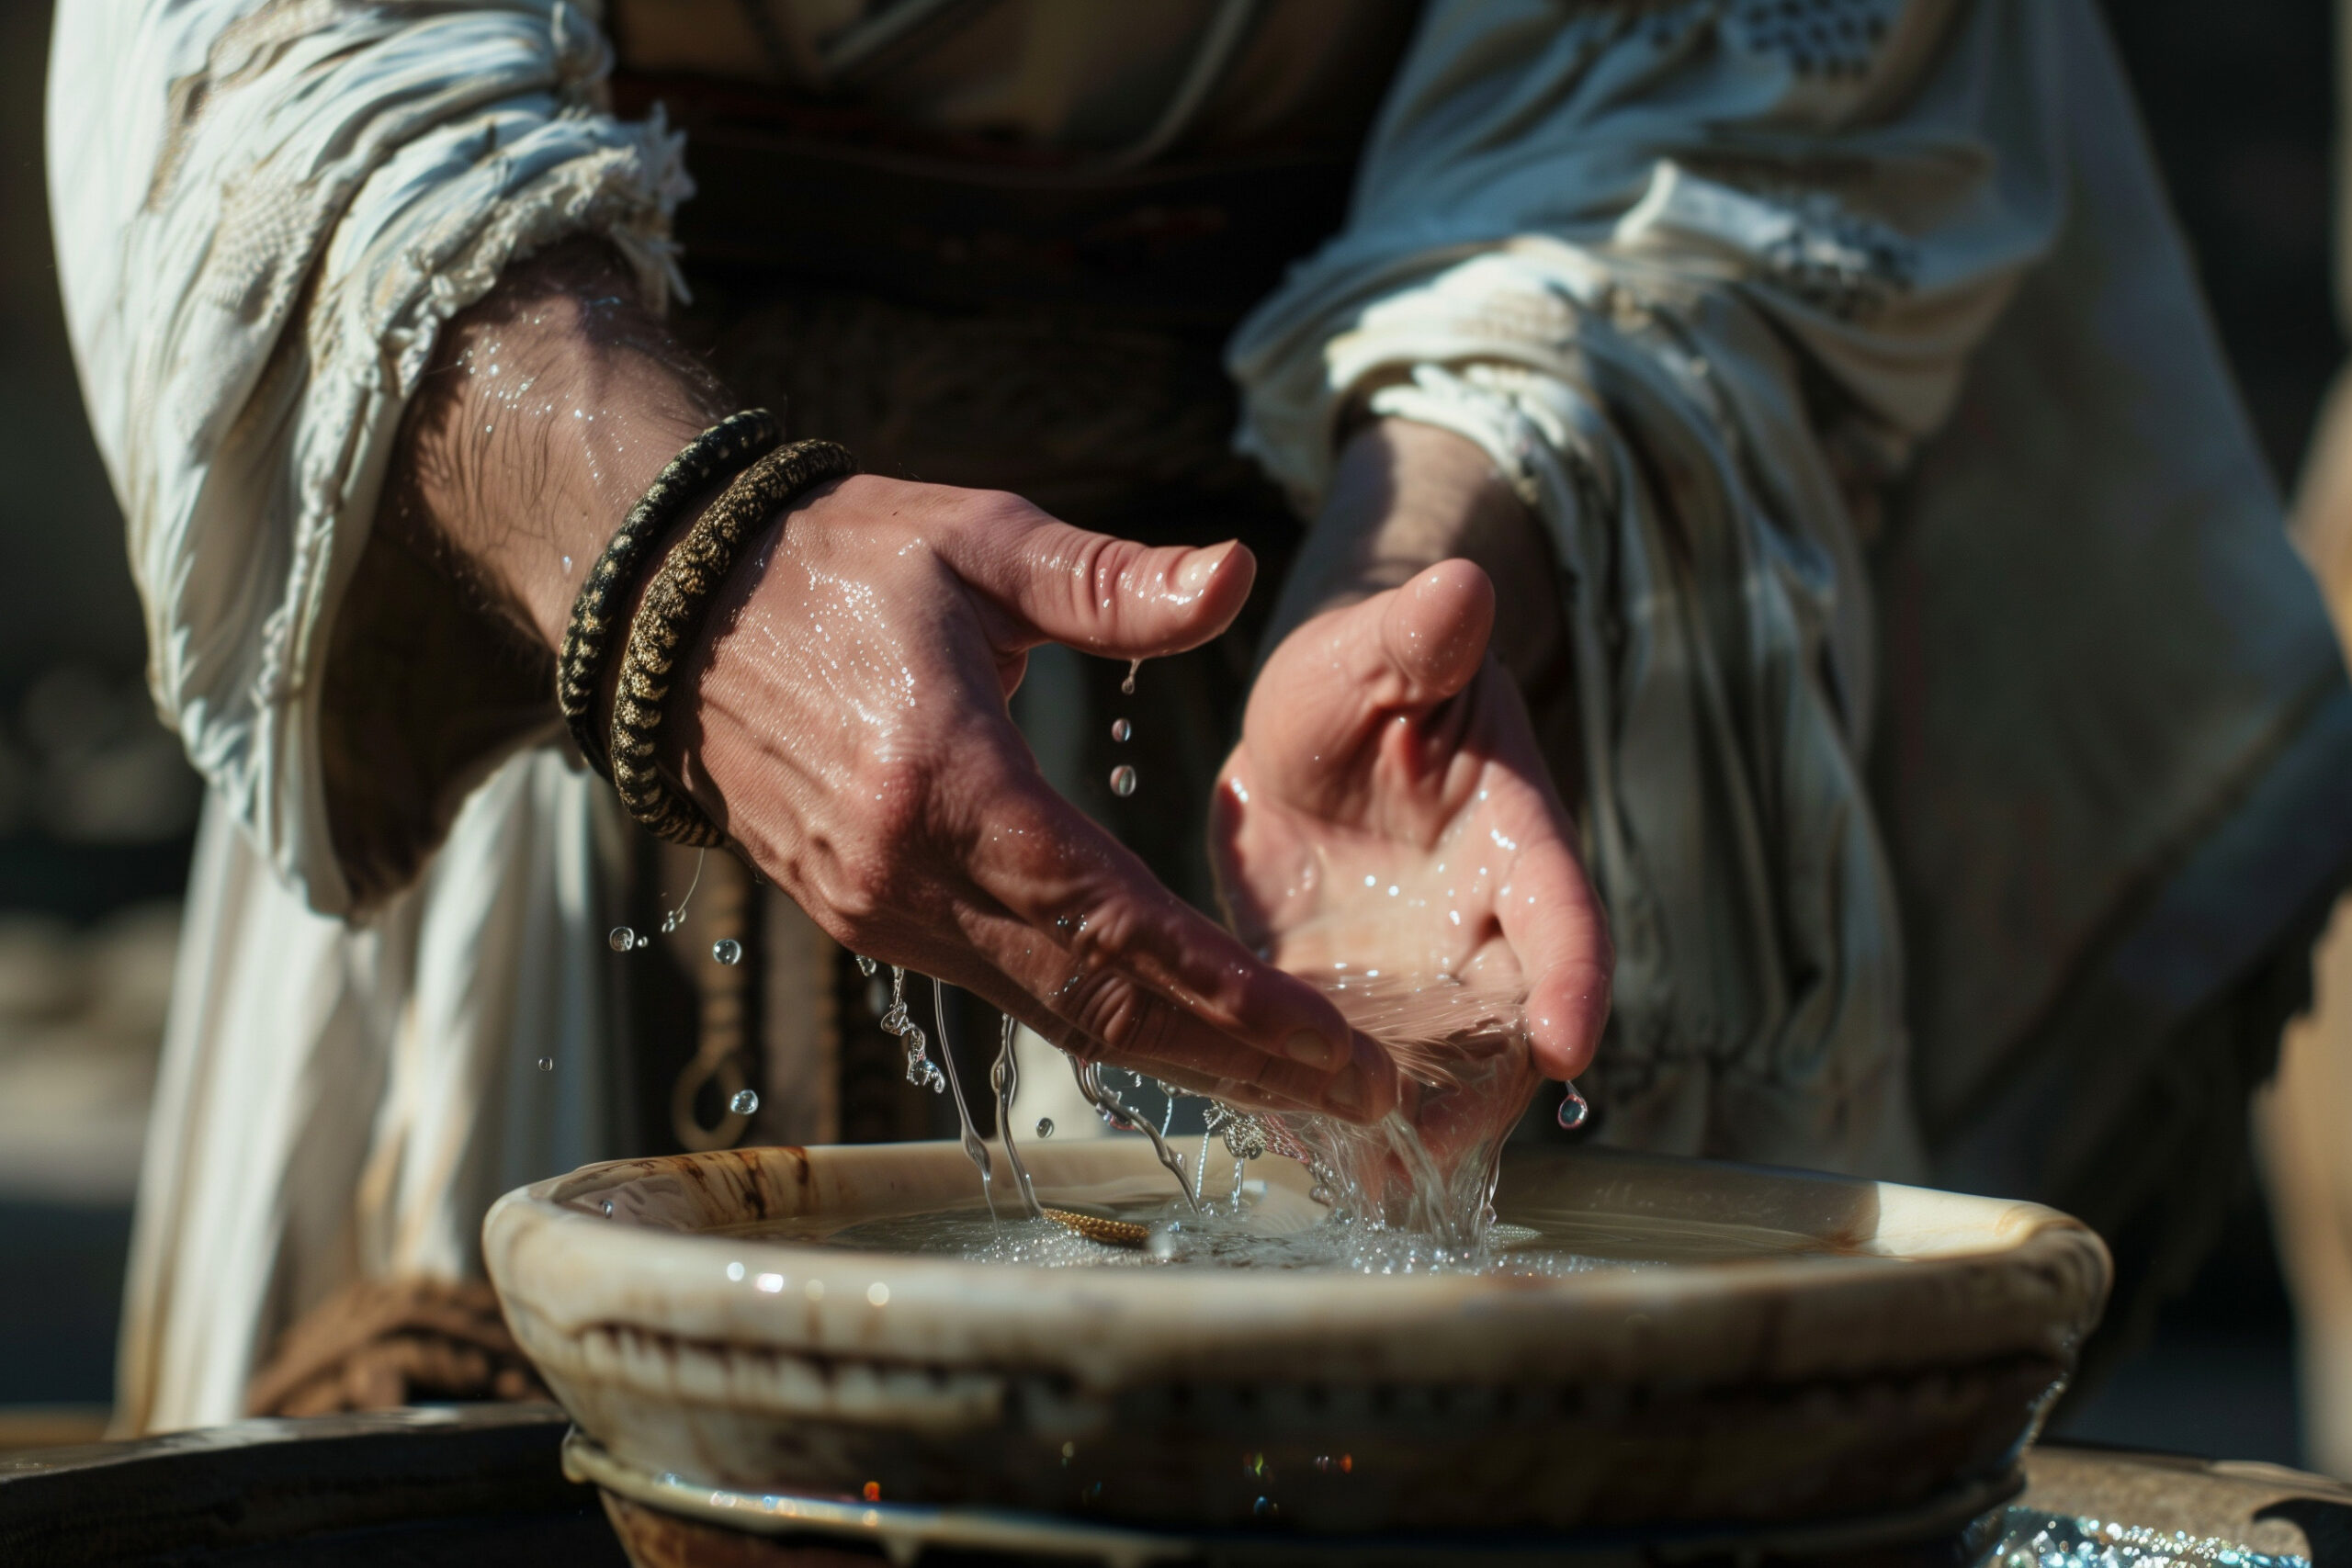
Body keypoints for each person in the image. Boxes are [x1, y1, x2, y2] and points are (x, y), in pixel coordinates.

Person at [51, 0, 2352, 1434]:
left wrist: (1432, 564)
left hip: (1398, 632)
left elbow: (1724, 68)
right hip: (559, 624)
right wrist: (686, 573)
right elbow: (263, 50)